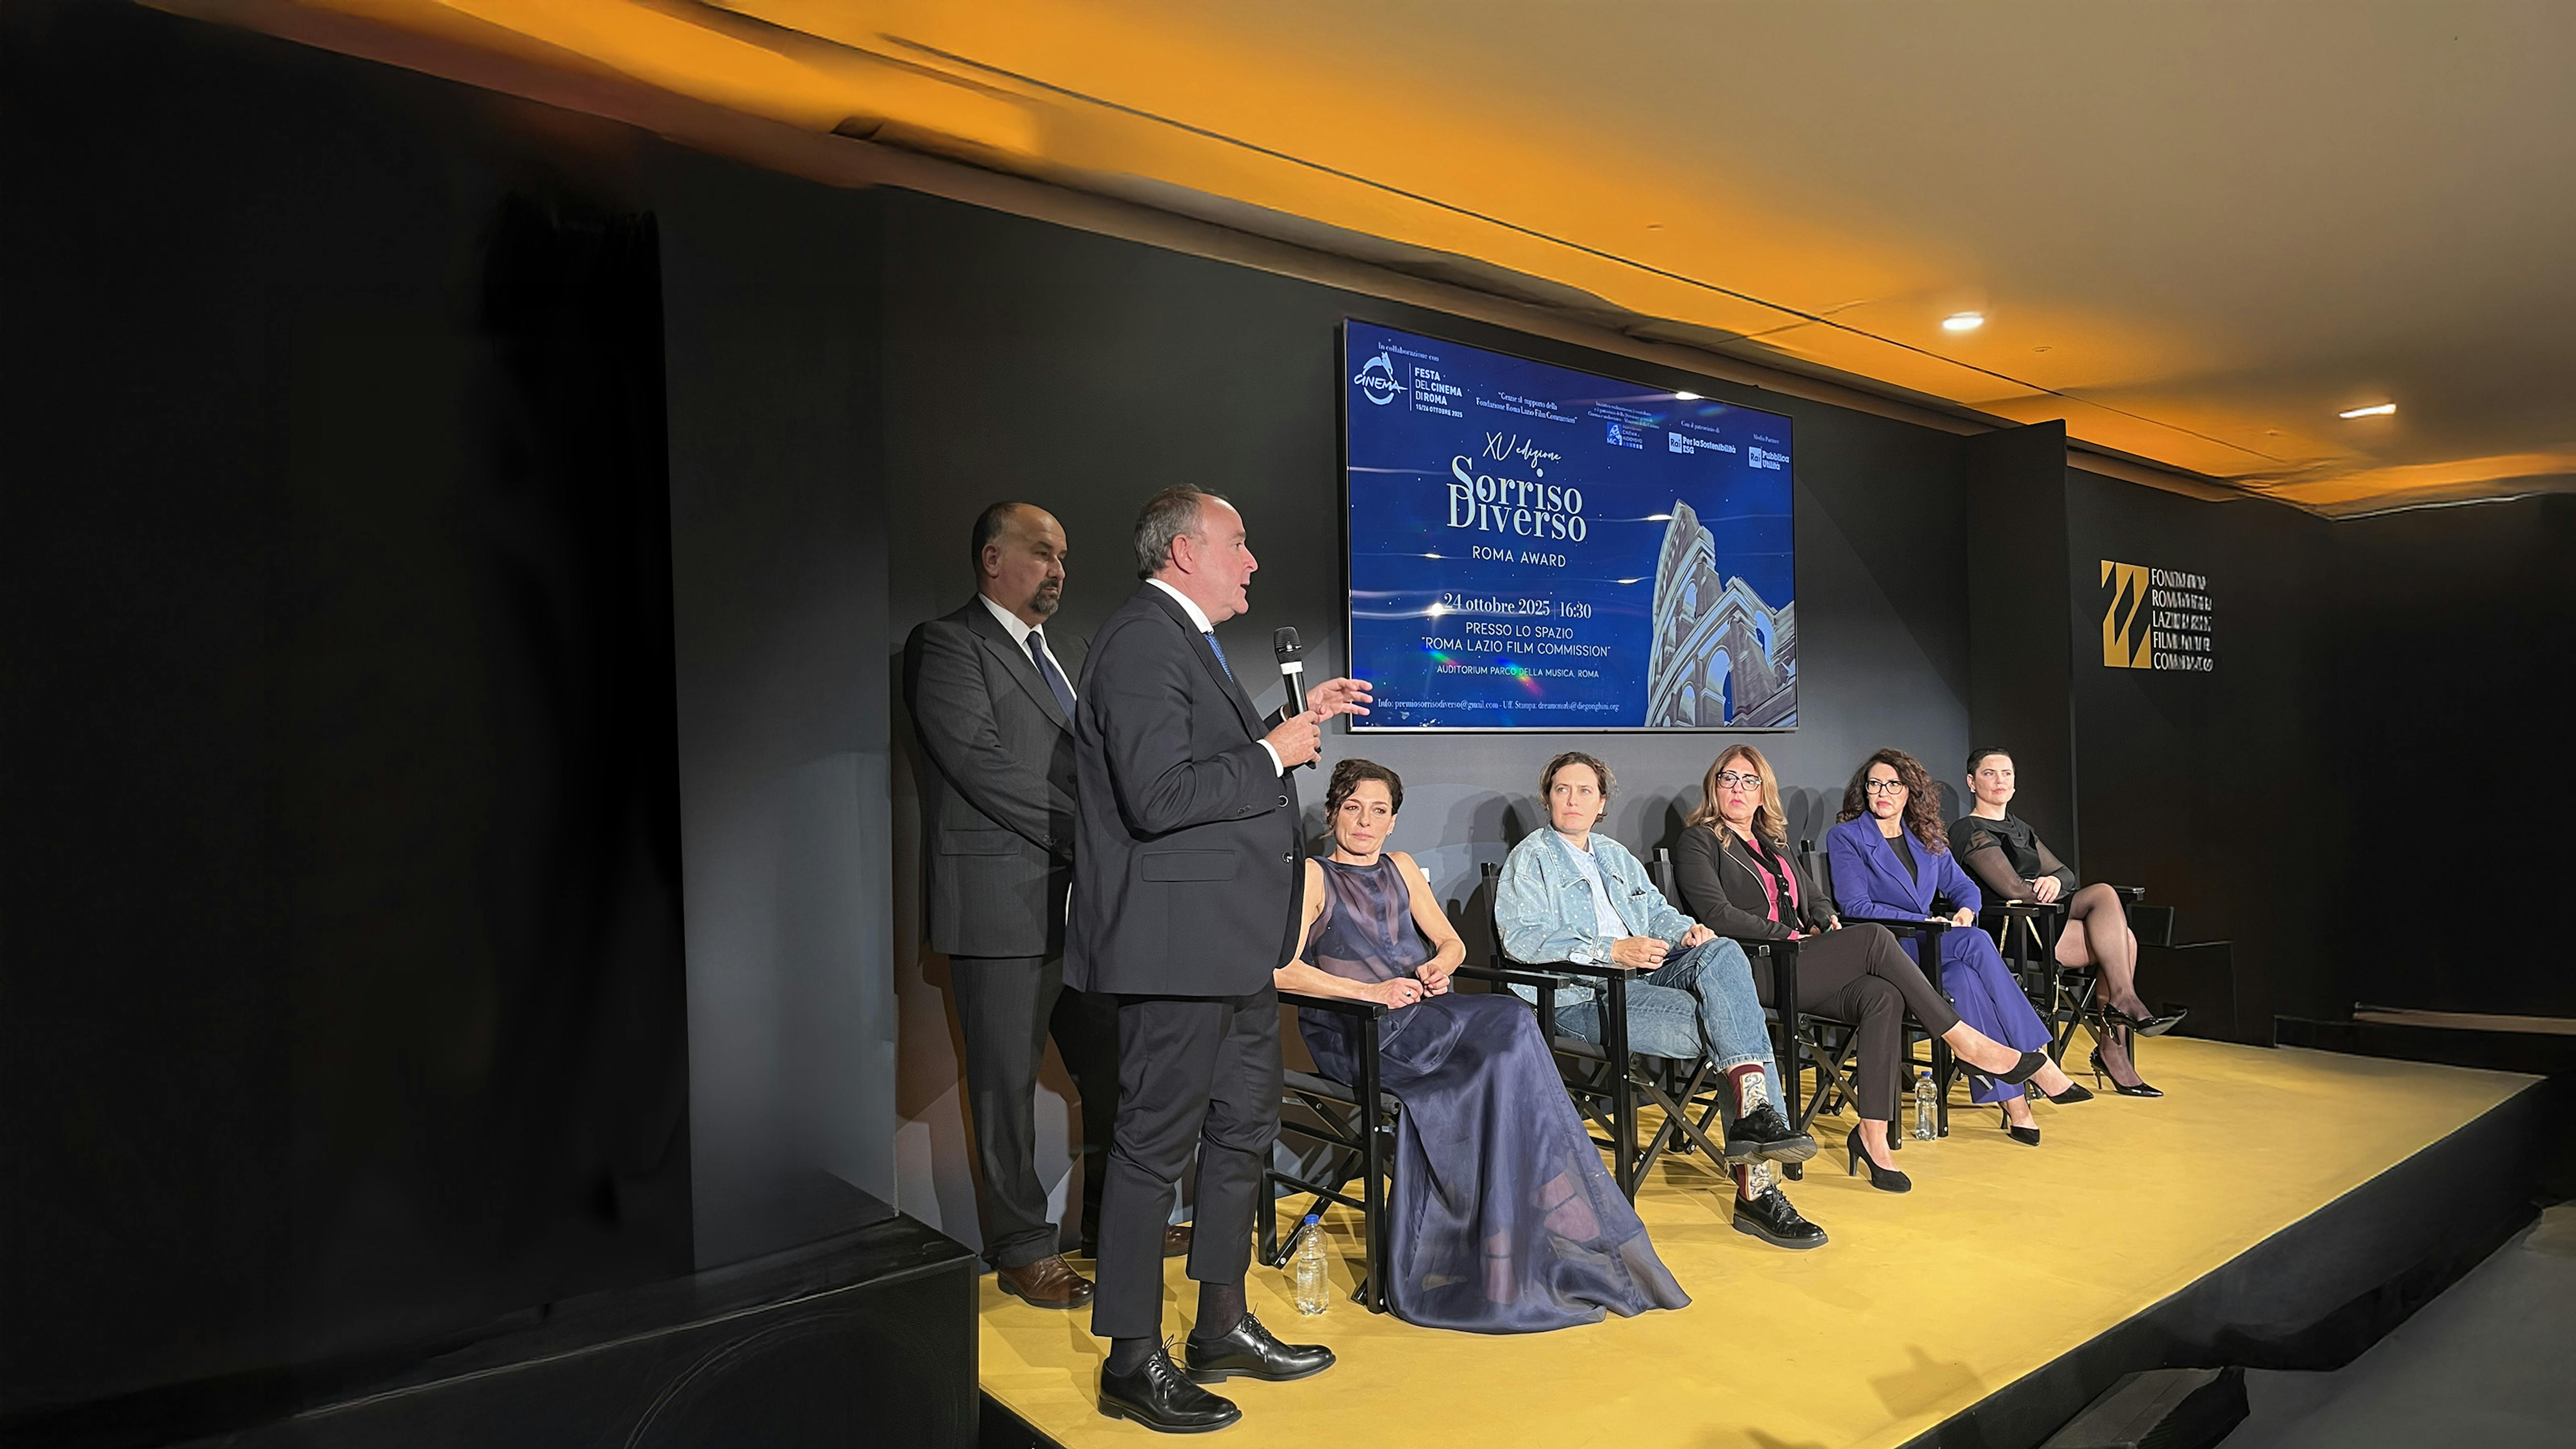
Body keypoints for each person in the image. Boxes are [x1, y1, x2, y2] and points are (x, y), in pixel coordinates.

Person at [1067, 486, 1371, 1434]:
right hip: (1176, 951)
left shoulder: (1185, 642)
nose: (1250, 562)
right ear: (1182, 553)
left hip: (1232, 949)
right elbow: (1159, 795)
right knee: (1154, 1152)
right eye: (1237, 544)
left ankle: (1222, 1322)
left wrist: (1283, 726)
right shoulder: (1140, 640)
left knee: (1242, 1133)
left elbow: (1207, 769)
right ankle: (1129, 1358)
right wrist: (1275, 754)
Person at [1281, 759, 1689, 1331]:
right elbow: (1283, 971)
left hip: (1420, 1014)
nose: (1365, 822)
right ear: (1332, 813)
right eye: (1353, 808)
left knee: (1508, 1024)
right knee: (1506, 1035)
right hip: (1358, 1030)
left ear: (1394, 821)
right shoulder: (1316, 875)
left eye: (1378, 811)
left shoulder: (1399, 867)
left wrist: (1439, 967)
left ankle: (1505, 1243)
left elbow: (1448, 941)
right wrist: (1367, 990)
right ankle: (1546, 1214)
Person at [904, 501, 1153, 1311]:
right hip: (999, 906)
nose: (1058, 571)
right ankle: (1021, 1248)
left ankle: (1115, 1221)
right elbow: (980, 766)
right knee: (1003, 1089)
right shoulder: (947, 645)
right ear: (990, 558)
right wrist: (1097, 834)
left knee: (1118, 1064)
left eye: (1065, 557)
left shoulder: (1065, 655)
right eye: (1043, 553)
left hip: (1084, 912)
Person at [1674, 744, 2070, 1192]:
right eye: (1729, 779)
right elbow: (1718, 912)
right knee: (1875, 936)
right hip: (1752, 968)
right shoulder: (1700, 841)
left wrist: (1824, 919)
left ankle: (1872, 1136)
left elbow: (1815, 898)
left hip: (1800, 964)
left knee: (1884, 996)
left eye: (1750, 781)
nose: (1739, 790)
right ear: (1715, 786)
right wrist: (1792, 936)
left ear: (1764, 791)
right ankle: (1967, 1043)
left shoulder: (1773, 844)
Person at [1493, 751, 1826, 1251]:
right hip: (1580, 996)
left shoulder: (1612, 854)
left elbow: (1655, 910)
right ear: (1547, 798)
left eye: (1586, 790)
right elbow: (1521, 938)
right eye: (1563, 789)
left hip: (1645, 979)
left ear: (1602, 801)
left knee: (1722, 951)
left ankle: (1757, 1121)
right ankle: (1759, 1189)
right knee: (1736, 1025)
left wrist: (1685, 931)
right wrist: (1610, 949)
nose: (1573, 800)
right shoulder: (1531, 858)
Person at [1824, 749, 2092, 1158]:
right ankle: (2040, 1064)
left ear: (1910, 792)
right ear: (1865, 790)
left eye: (1893, 785)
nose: (1883, 793)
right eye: (1875, 784)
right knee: (1978, 942)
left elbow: (1963, 888)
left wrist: (1967, 909)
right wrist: (1926, 923)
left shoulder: (1927, 838)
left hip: (1927, 947)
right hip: (1884, 949)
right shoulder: (1847, 837)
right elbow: (1855, 906)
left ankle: (2016, 1103)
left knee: (1966, 978)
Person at [1951, 748, 2181, 1097]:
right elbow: (2011, 889)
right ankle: (2115, 1041)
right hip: (2010, 929)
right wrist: (2040, 887)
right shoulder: (1968, 829)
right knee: (2121, 937)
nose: (2000, 781)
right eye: (1989, 774)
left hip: (2044, 918)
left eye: (2007, 774)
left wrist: (2055, 882)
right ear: (1971, 782)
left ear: (2015, 783)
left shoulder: (2020, 828)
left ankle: (2121, 1010)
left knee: (2113, 915)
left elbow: (2066, 874)